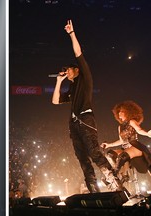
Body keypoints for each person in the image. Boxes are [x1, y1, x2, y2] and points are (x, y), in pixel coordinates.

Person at [51, 20, 123, 193]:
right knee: (82, 158)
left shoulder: (85, 78)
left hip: (86, 118)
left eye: (68, 69)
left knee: (94, 152)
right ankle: (93, 190)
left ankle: (114, 183)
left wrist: (71, 33)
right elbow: (54, 101)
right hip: (74, 124)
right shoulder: (71, 88)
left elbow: (78, 52)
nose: (66, 71)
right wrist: (58, 82)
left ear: (76, 69)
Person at [101, 100, 151, 182]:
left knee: (122, 156)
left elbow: (139, 130)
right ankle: (123, 175)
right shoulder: (120, 127)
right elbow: (121, 141)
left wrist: (147, 133)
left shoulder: (132, 121)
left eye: (122, 111)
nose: (120, 113)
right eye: (119, 111)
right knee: (109, 154)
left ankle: (113, 175)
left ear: (128, 112)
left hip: (135, 146)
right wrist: (108, 145)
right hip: (125, 148)